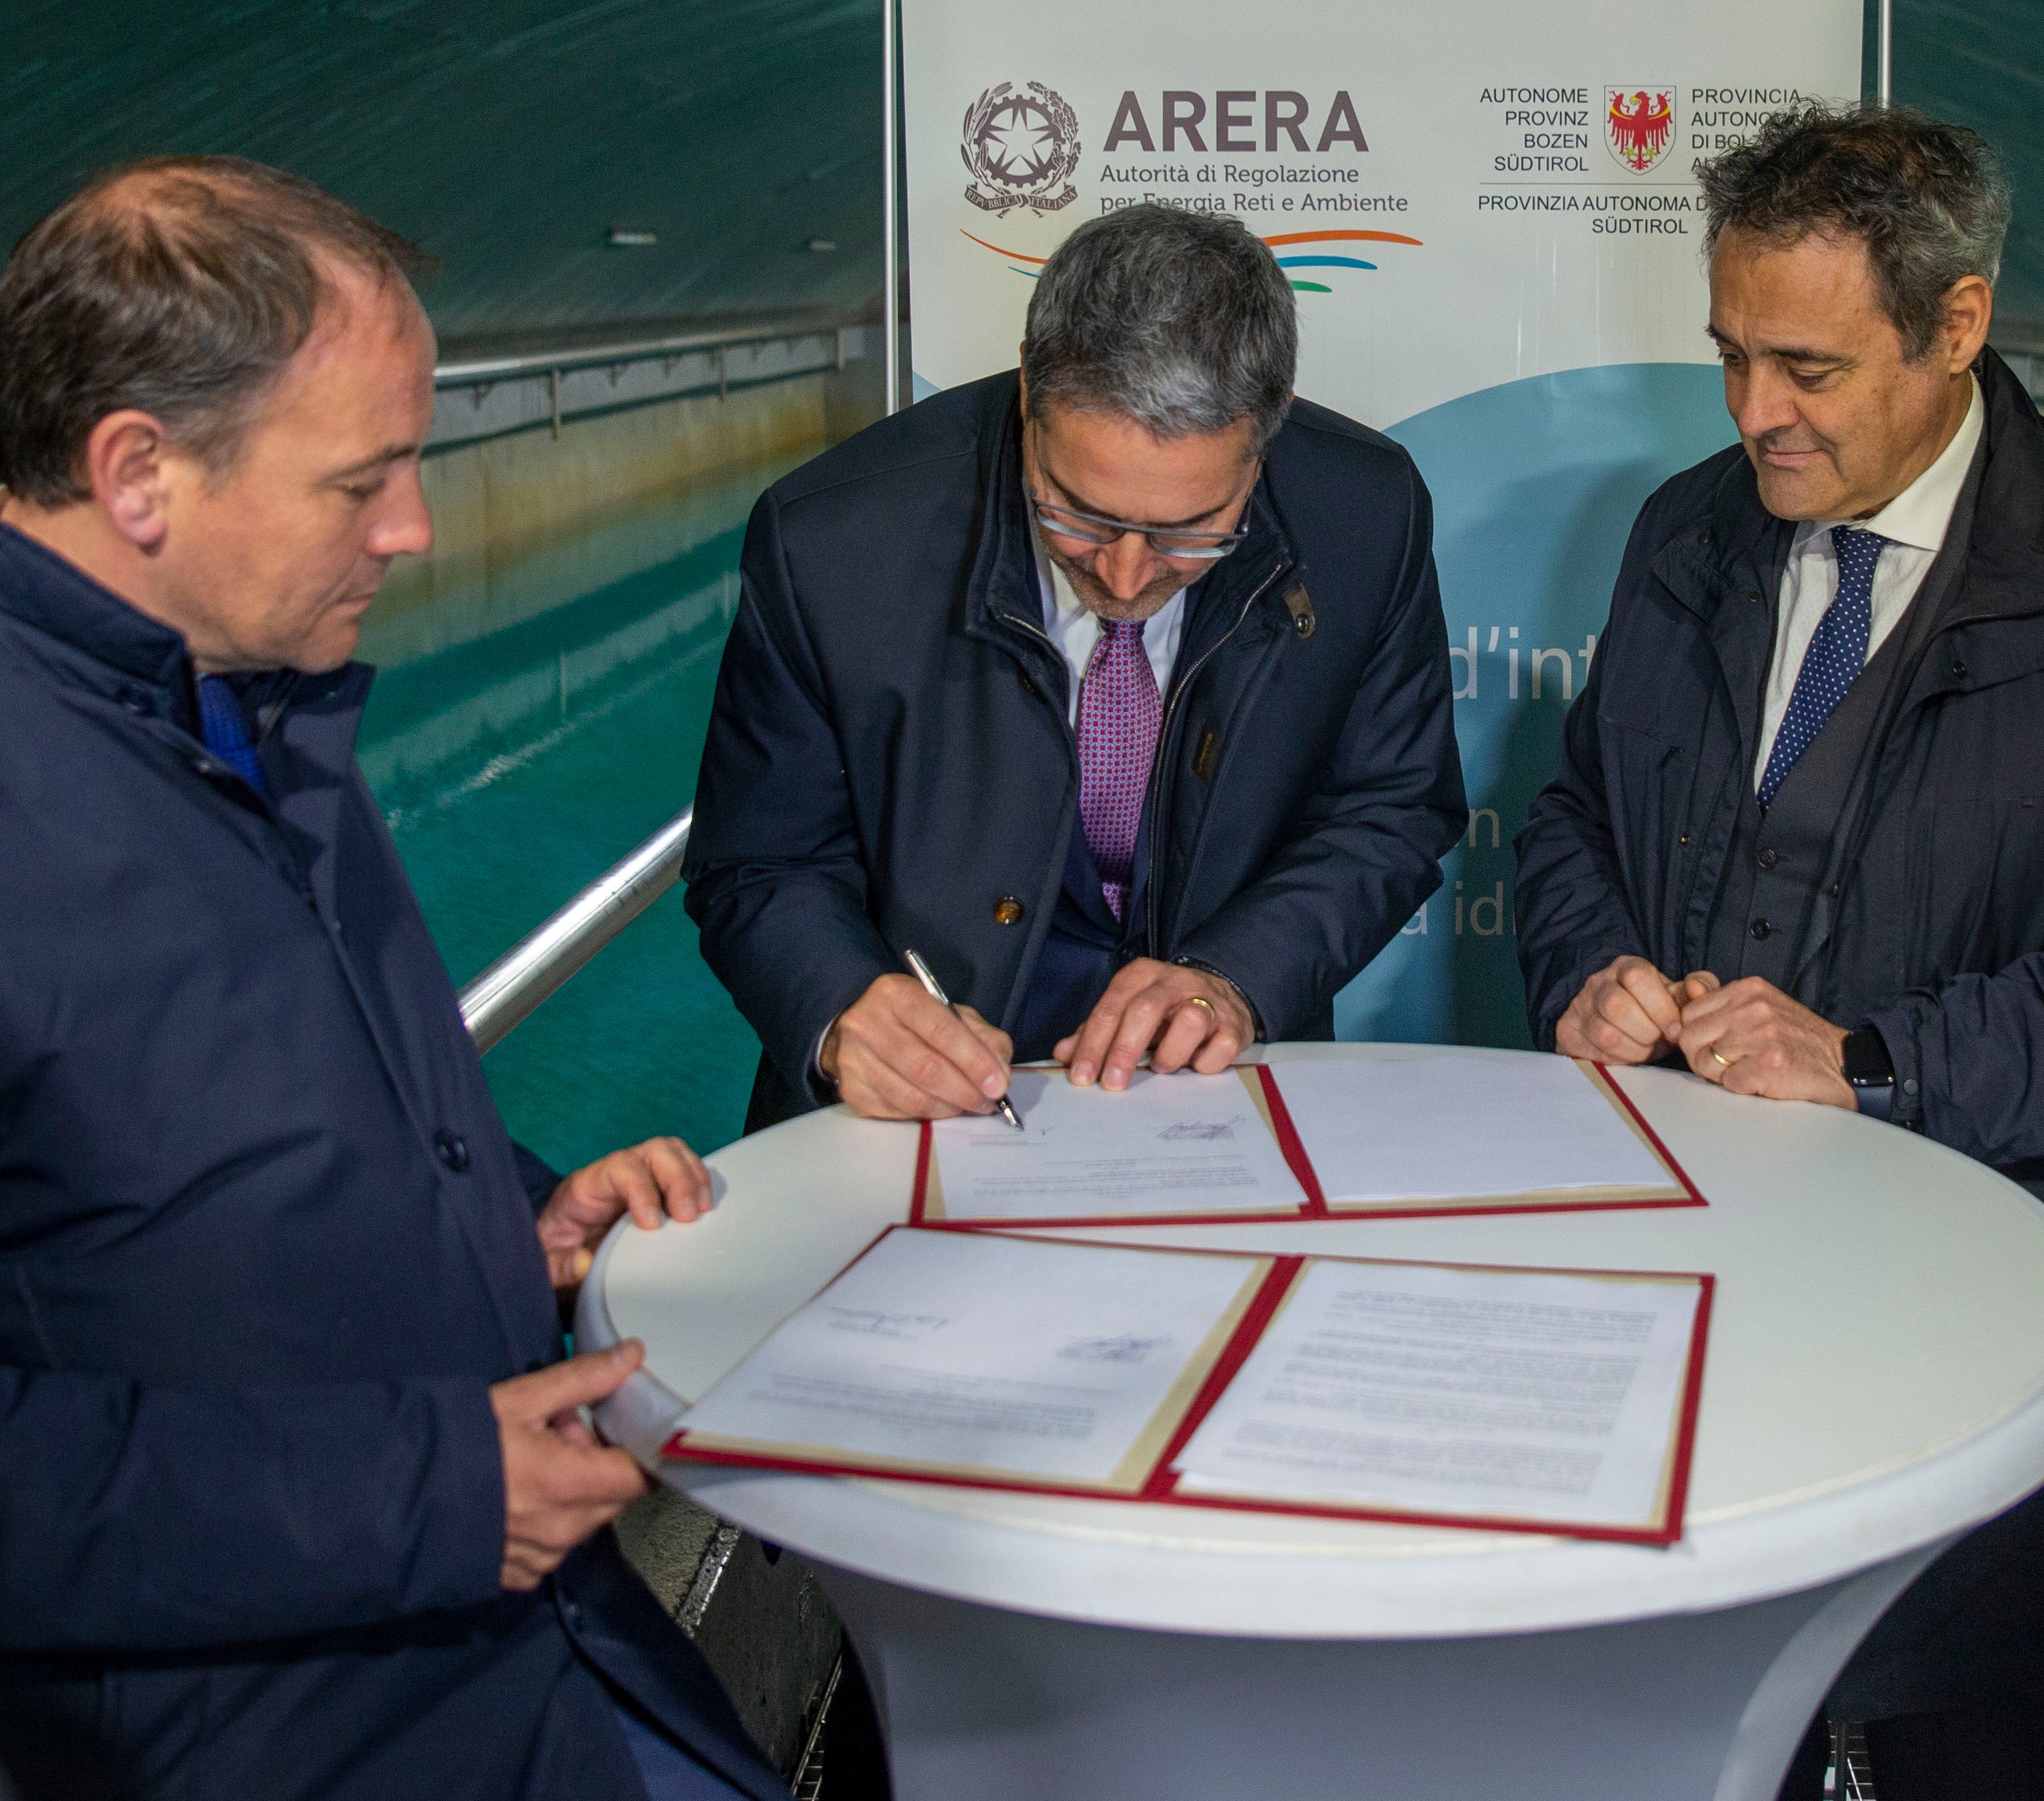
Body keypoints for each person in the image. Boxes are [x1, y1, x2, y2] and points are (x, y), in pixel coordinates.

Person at [1514, 105, 2044, 1799]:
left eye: (1806, 366)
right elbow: (1578, 815)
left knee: (1970, 1743)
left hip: (1997, 1328)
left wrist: (1878, 1061)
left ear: (1958, 327)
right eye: (1730, 354)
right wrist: (1585, 969)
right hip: (1709, 1306)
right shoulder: (1688, 535)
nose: (1753, 414)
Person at [0, 157, 784, 1801]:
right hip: (268, 1733)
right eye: (365, 479)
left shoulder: (247, 695)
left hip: (540, 1669)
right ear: (137, 473)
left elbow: (268, 1119)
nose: (417, 528)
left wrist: (506, 1215)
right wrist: (429, 1495)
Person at [687, 204, 1464, 1129]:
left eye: (1188, 531)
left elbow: (1388, 805)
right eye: (1076, 514)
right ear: (1028, 394)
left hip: (1218, 1099)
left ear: (1266, 440)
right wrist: (843, 1008)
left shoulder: (1366, 513)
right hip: (903, 1122)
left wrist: (1238, 975)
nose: (1126, 574)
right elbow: (761, 860)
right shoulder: (831, 541)